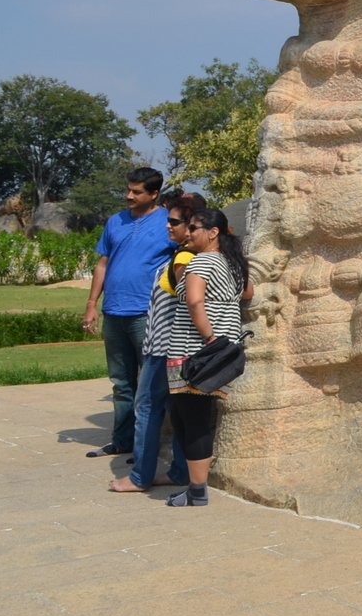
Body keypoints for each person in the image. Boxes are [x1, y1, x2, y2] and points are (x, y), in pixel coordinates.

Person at [108, 191, 202, 493]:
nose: (167, 226)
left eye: (173, 221)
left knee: (147, 405)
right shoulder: (182, 256)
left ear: (190, 226)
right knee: (177, 411)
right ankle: (178, 472)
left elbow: (195, 299)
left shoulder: (184, 259)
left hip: (166, 347)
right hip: (171, 345)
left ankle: (140, 475)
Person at [83, 167, 177, 460]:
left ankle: (146, 447)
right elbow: (102, 263)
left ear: (154, 193)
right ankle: (121, 440)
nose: (129, 196)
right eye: (128, 190)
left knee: (150, 386)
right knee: (121, 382)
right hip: (114, 313)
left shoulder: (168, 223)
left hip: (147, 314)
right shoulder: (116, 221)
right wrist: (91, 304)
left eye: (137, 192)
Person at [165, 207, 251, 507]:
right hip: (221, 354)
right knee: (186, 416)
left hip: (193, 353)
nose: (188, 233)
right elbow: (248, 292)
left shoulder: (202, 261)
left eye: (194, 228)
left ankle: (197, 490)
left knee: (194, 420)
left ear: (213, 232)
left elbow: (194, 300)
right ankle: (194, 485)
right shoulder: (233, 263)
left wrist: (208, 337)